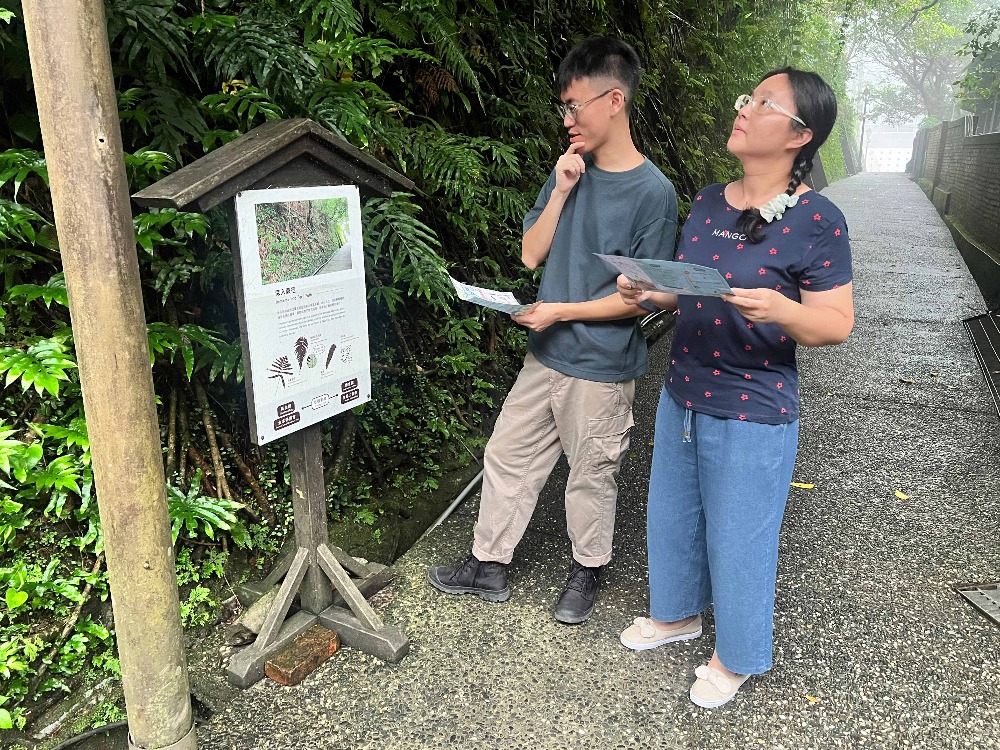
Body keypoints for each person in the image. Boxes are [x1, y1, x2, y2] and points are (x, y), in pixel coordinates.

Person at [616, 68, 854, 706]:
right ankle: (676, 616)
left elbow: (835, 323)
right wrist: (648, 288)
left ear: (799, 136)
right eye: (746, 96)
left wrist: (780, 309)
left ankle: (739, 654)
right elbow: (691, 285)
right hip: (683, 392)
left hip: (755, 409)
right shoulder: (708, 201)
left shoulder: (818, 220)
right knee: (671, 516)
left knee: (741, 535)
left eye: (763, 103)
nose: (743, 107)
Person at [427, 36, 678, 624]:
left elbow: (641, 303)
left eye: (575, 106)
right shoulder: (570, 170)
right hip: (545, 353)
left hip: (600, 363)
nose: (567, 119)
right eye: (563, 108)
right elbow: (530, 256)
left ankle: (588, 572)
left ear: (614, 100)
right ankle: (488, 564)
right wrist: (563, 189)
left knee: (591, 474)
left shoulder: (654, 194)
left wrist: (560, 311)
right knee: (508, 454)